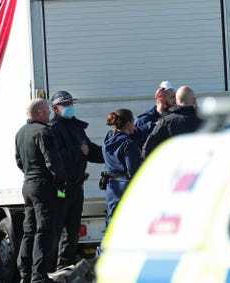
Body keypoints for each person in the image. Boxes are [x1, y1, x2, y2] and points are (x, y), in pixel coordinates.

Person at [49, 90, 103, 271]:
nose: (70, 107)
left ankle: (65, 267)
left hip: (77, 187)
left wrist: (111, 154)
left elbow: (91, 150)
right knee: (57, 231)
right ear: (56, 109)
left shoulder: (76, 127)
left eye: (71, 103)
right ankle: (53, 269)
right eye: (66, 104)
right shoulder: (53, 130)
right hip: (61, 188)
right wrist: (78, 150)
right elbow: (55, 158)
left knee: (72, 233)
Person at [15, 99, 66, 283]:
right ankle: (39, 276)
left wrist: (31, 173)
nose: (49, 114)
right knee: (44, 230)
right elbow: (52, 160)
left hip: (28, 184)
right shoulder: (44, 132)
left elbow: (19, 161)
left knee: (29, 230)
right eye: (46, 111)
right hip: (43, 185)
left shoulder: (21, 132)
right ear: (38, 113)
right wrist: (60, 182)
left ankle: (25, 274)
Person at [101, 109, 143, 225]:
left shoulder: (108, 139)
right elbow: (134, 172)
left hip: (112, 188)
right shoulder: (128, 144)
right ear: (129, 124)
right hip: (125, 189)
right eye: (133, 122)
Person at [141, 85, 203, 159]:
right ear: (194, 100)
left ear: (176, 101)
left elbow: (147, 149)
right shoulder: (207, 121)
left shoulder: (166, 122)